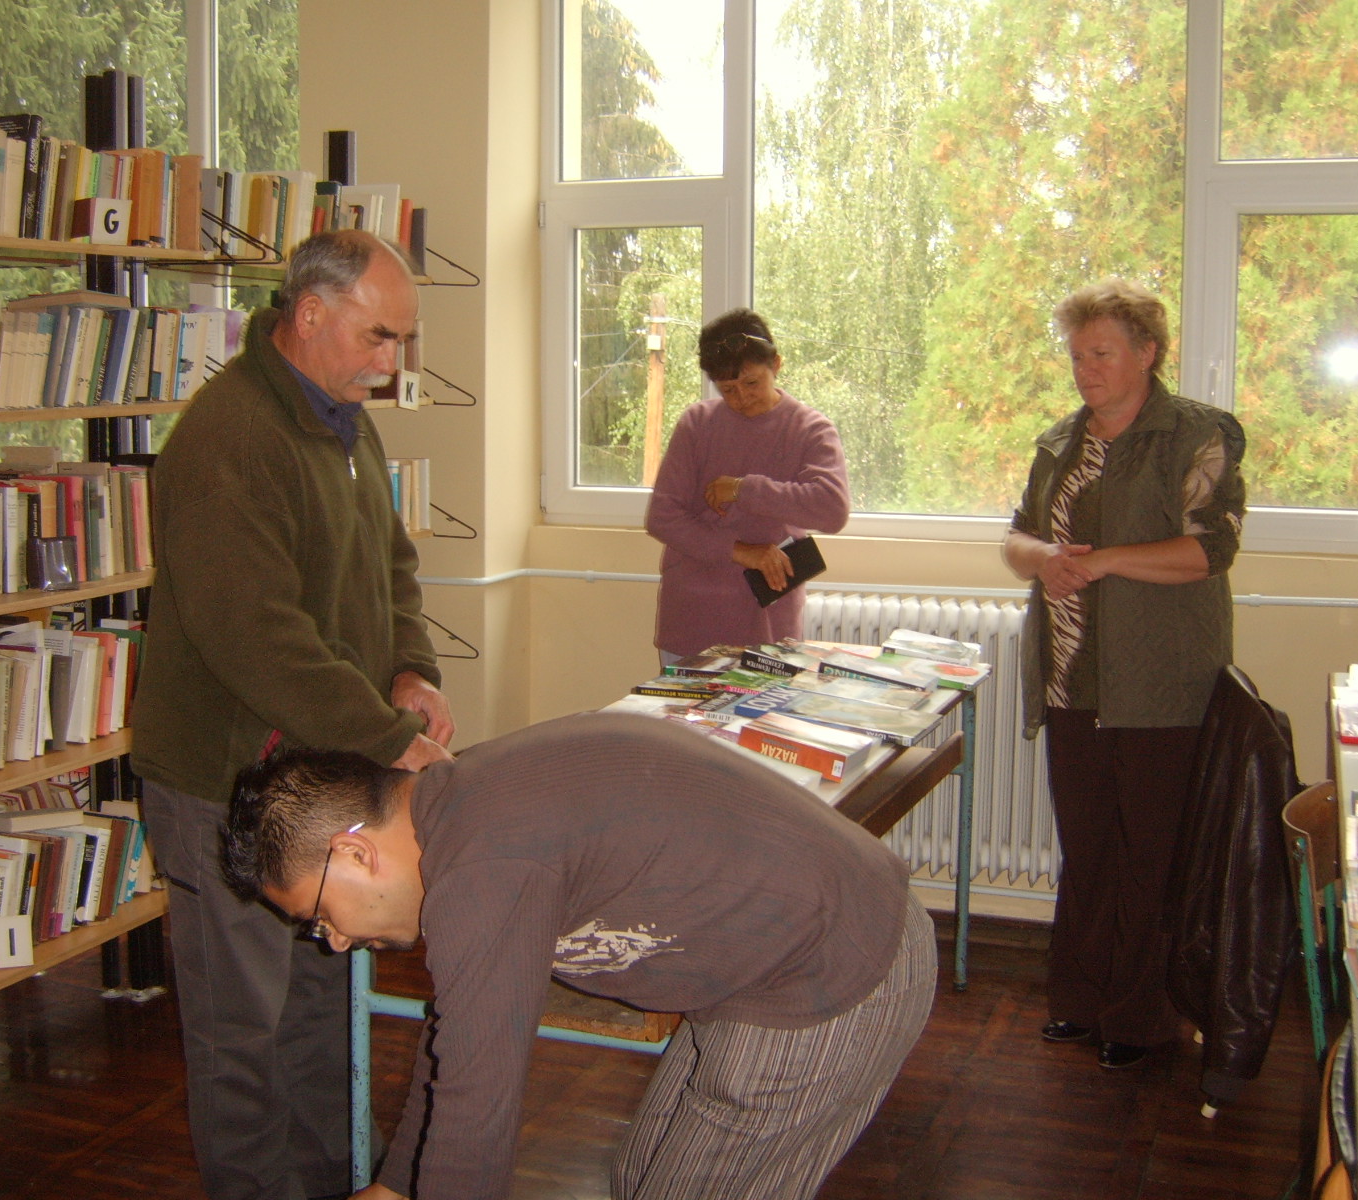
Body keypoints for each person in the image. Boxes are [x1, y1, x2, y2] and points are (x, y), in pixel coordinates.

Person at [222, 712, 937, 1200]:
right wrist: (398, 1184)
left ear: (354, 852)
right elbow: (458, 1041)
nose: (335, 941)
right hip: (765, 966)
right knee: (640, 1178)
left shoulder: (485, 866)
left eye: (320, 917)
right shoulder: (457, 816)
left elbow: (478, 1108)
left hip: (833, 967)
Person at [130, 228, 456, 1199]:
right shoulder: (228, 436)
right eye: (378, 336)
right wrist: (391, 739)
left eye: (401, 339)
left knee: (325, 1010)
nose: (390, 362)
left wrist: (409, 668)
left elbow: (391, 566)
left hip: (322, 775)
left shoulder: (346, 422)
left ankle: (338, 1181)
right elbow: (255, 634)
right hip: (223, 785)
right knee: (244, 1033)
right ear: (309, 314)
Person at [1002, 278, 1245, 1071]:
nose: (1086, 370)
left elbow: (1208, 550)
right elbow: (1015, 539)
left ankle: (1140, 1018)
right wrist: (1043, 558)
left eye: (1101, 354)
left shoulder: (1196, 435)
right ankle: (1078, 1000)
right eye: (1077, 356)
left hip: (1162, 683)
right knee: (1088, 846)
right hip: (1072, 677)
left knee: (1151, 855)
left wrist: (1104, 561)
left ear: (1148, 353)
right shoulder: (1059, 442)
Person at [645, 308, 850, 663]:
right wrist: (741, 551)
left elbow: (832, 510)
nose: (741, 398)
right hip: (692, 623)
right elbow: (662, 518)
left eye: (752, 383)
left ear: (776, 365)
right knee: (679, 705)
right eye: (728, 389)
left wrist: (744, 489)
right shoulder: (697, 424)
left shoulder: (810, 429)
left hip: (768, 625)